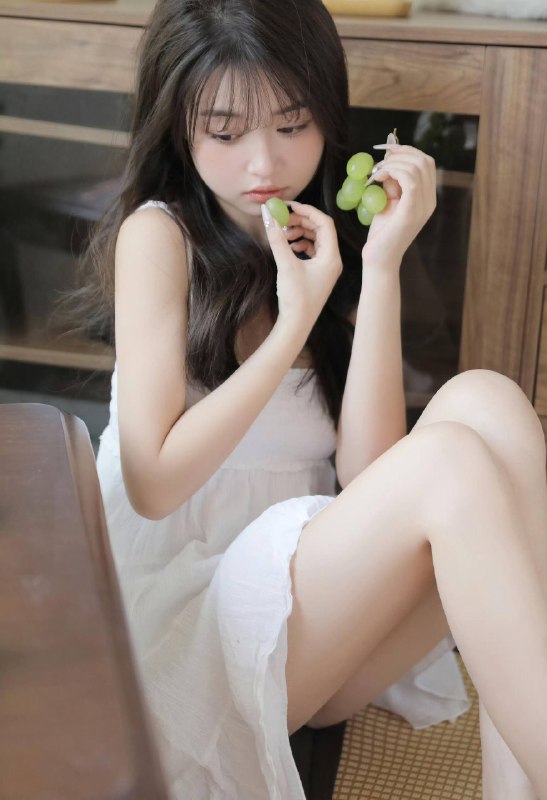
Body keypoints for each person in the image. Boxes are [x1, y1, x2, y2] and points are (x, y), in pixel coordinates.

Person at [86, 0, 547, 797]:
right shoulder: (158, 237)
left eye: (291, 125)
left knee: (487, 402)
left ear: (325, 115)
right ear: (179, 127)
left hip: (309, 628)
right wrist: (291, 320)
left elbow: (371, 481)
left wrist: (381, 263)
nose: (263, 162)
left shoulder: (323, 231)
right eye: (225, 132)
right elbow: (153, 484)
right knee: (450, 459)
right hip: (182, 631)